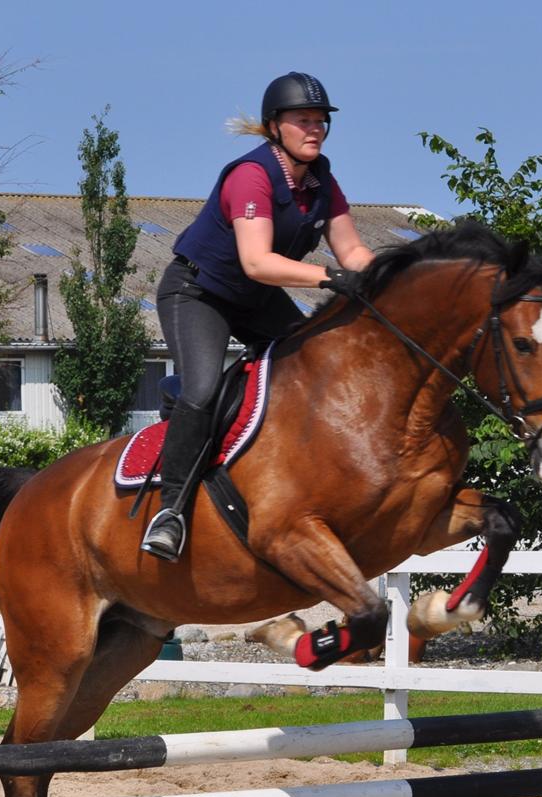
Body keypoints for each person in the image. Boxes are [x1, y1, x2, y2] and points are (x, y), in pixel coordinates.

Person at [141, 71, 375, 562]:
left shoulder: (322, 181)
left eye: (321, 121)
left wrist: (403, 277)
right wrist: (330, 279)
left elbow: (352, 250)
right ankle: (170, 511)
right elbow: (256, 262)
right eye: (303, 120)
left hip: (254, 300)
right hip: (199, 293)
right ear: (275, 127)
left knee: (321, 368)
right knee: (203, 389)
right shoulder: (251, 175)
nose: (315, 129)